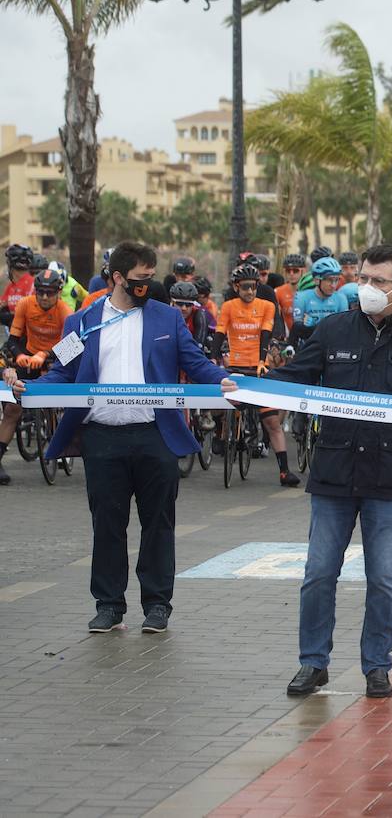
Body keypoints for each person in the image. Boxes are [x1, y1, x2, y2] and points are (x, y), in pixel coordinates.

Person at [234, 244, 392, 699]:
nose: (366, 288)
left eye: (377, 281)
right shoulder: (334, 329)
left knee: (385, 576)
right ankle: (313, 663)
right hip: (334, 469)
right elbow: (296, 375)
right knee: (318, 572)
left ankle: (377, 665)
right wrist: (251, 390)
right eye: (363, 279)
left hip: (390, 475)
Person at [4, 242, 232, 632]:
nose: (148, 285)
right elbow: (64, 370)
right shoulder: (82, 321)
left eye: (151, 277)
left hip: (155, 435)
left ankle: (157, 604)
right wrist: (31, 386)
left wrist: (223, 381)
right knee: (107, 525)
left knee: (158, 522)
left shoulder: (167, 319)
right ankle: (109, 605)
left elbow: (194, 362)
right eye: (141, 279)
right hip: (102, 438)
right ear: (117, 278)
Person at [213, 264, 300, 487]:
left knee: (271, 421)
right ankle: (227, 435)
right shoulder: (229, 306)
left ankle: (284, 471)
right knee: (224, 406)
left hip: (258, 366)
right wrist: (214, 358)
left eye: (253, 287)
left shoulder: (267, 305)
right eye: (244, 287)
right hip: (236, 366)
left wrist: (262, 361)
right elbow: (220, 332)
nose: (250, 292)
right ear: (236, 287)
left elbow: (265, 334)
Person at [0, 268, 71, 484]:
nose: (45, 297)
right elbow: (12, 340)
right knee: (12, 408)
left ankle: (59, 435)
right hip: (29, 356)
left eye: (50, 293)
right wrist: (20, 355)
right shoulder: (24, 304)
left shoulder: (65, 311)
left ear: (58, 292)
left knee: (60, 399)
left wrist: (46, 355)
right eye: (40, 292)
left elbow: (73, 345)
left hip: (55, 358)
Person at [2, 243, 35, 329]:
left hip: (30, 337)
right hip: (15, 335)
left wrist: (11, 317)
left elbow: (33, 314)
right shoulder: (11, 287)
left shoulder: (33, 284)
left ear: (10, 264)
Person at [275, 253, 306, 323]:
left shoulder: (309, 291)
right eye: (288, 271)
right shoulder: (278, 292)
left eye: (295, 271)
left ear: (303, 271)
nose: (291, 274)